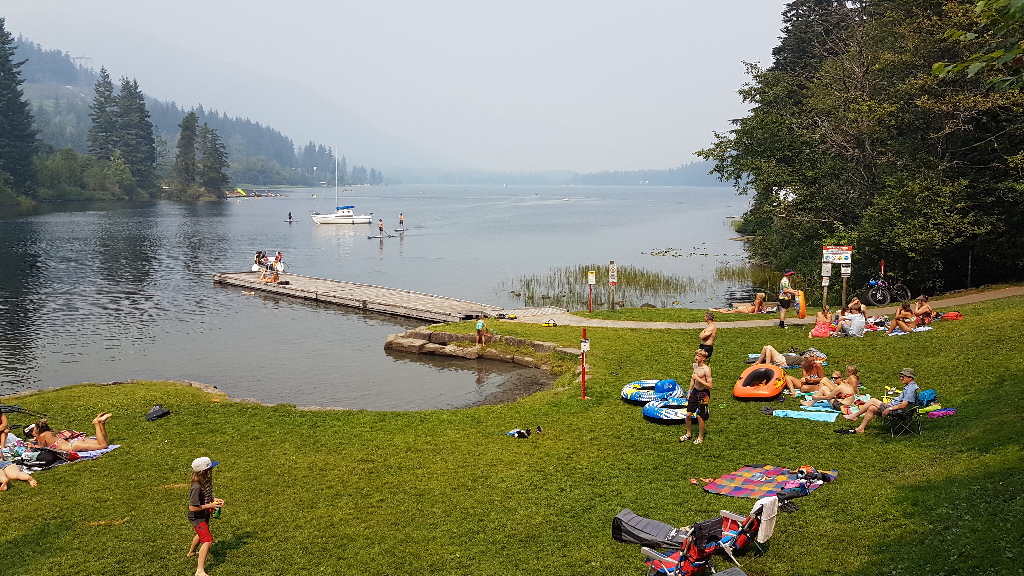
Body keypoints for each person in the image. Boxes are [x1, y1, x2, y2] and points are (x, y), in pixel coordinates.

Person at [838, 368, 920, 434]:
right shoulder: (909, 386)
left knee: (872, 400)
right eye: (901, 376)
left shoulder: (911, 389)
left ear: (910, 378)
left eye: (903, 377)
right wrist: (890, 403)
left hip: (899, 411)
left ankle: (854, 416)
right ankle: (861, 428)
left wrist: (889, 408)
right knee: (871, 408)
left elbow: (904, 405)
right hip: (895, 407)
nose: (901, 378)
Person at [186, 457, 225, 576]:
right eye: (210, 468)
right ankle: (199, 570)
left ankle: (191, 552)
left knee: (201, 534)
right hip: (197, 517)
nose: (212, 470)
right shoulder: (196, 487)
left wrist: (214, 500)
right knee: (207, 540)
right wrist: (210, 505)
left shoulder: (206, 481)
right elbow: (192, 507)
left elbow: (206, 496)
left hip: (204, 514)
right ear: (204, 471)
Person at [25, 413, 112, 452]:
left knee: (103, 445)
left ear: (36, 432)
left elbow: (41, 447)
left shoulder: (42, 436)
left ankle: (96, 424)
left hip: (73, 446)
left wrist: (32, 446)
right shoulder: (49, 432)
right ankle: (101, 423)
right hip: (75, 442)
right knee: (105, 443)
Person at [679, 349, 713, 445]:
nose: (696, 357)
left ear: (704, 358)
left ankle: (700, 437)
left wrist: (698, 379)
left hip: (704, 394)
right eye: (696, 355)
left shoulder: (706, 370)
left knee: (700, 417)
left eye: (699, 356)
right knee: (688, 415)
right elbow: (692, 379)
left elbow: (710, 385)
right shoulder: (695, 366)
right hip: (694, 392)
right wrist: (689, 391)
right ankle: (688, 434)